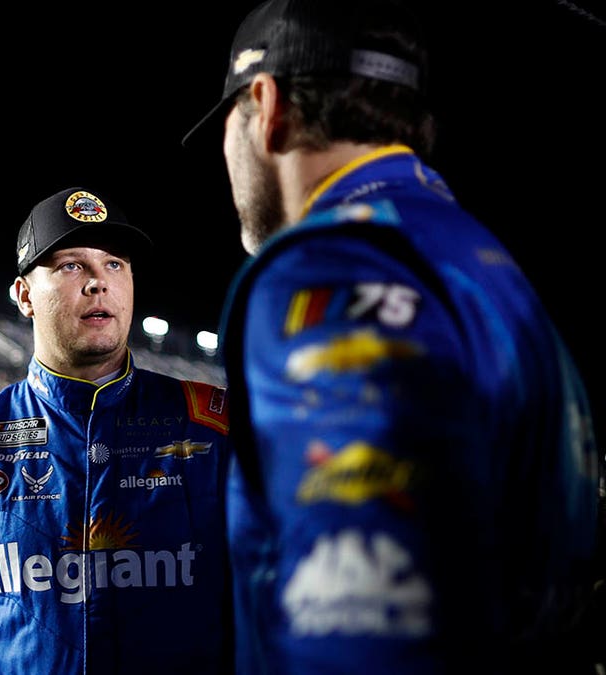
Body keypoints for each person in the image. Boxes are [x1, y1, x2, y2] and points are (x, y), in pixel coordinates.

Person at [180, 0, 603, 672]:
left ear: (266, 106)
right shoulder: (481, 262)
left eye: (228, 122)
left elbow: (359, 624)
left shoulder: (333, 264)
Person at [0, 186, 235, 674]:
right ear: (24, 294)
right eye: (71, 265)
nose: (98, 283)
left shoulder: (213, 423)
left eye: (115, 264)